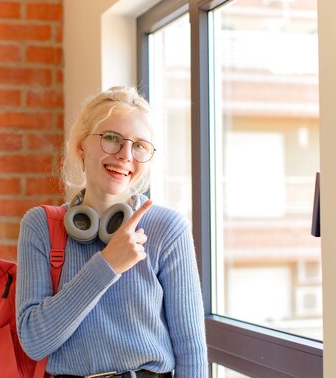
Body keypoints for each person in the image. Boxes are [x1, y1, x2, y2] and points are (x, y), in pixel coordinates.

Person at [16, 86, 208, 378]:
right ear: (81, 145)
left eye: (140, 145)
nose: (125, 155)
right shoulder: (40, 226)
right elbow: (34, 342)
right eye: (112, 139)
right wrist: (107, 265)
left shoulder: (168, 229)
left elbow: (191, 352)